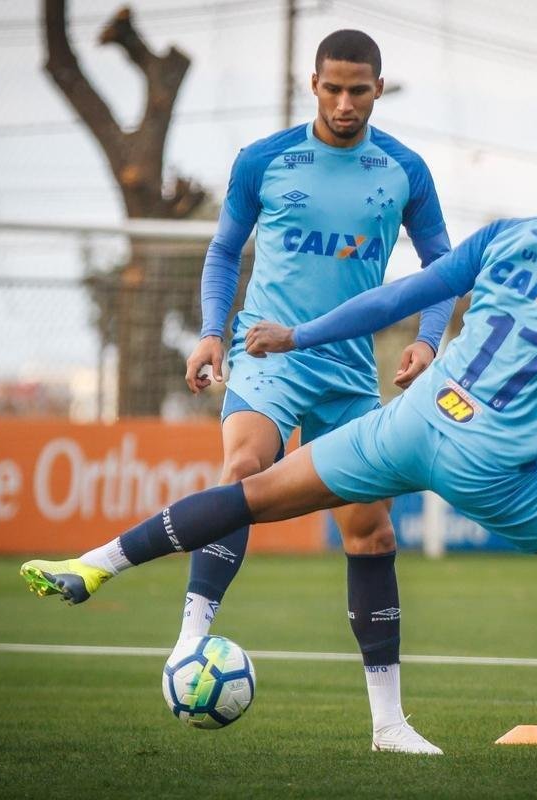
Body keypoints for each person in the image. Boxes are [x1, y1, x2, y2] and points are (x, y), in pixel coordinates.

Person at [21, 132, 537, 781]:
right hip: (491, 470)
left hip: (410, 423)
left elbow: (396, 296)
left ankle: (97, 563)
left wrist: (295, 335)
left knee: (251, 494)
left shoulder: (506, 235)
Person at [179, 29, 454, 754]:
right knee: (243, 469)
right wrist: (214, 331)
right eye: (331, 88)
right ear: (313, 84)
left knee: (373, 530)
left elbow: (443, 268)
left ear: (378, 89)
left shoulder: (405, 170)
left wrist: (428, 340)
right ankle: (188, 642)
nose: (343, 102)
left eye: (357, 90)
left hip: (347, 373)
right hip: (267, 350)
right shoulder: (264, 161)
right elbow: (220, 251)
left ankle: (389, 725)